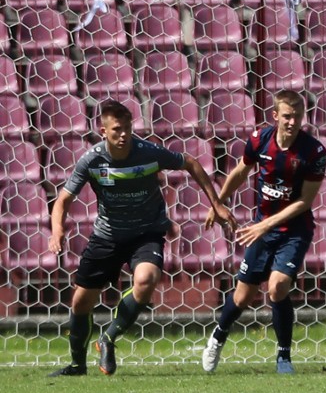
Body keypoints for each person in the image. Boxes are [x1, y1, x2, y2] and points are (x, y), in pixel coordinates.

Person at [48, 100, 235, 377]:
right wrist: (57, 231)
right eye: (116, 130)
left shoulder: (147, 152)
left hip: (146, 233)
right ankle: (77, 365)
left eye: (127, 128)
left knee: (146, 280)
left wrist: (217, 203)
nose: (123, 135)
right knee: (80, 303)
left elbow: (191, 163)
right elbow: (62, 200)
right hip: (108, 236)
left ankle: (108, 338)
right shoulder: (92, 160)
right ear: (103, 131)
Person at [201, 90, 326, 374]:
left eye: (297, 116)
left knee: (278, 287)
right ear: (275, 116)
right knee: (243, 297)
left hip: (294, 230)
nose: (292, 122)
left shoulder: (314, 151)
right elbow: (240, 172)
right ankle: (219, 336)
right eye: (287, 116)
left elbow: (305, 202)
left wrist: (264, 225)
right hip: (262, 230)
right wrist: (218, 203)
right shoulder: (260, 140)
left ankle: (284, 356)